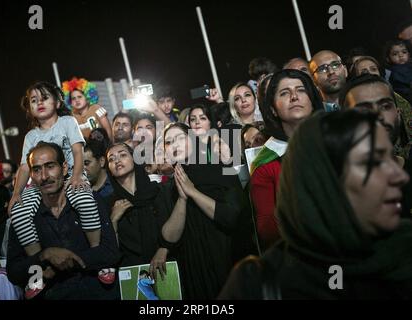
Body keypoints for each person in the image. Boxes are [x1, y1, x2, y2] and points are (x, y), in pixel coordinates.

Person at [220, 110, 412, 299]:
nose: (400, 176)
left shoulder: (405, 249)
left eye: (391, 158)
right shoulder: (260, 285)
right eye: (374, 163)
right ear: (324, 181)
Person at [8, 81, 113, 298]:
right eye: (34, 101)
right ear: (29, 108)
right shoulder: (31, 136)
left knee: (84, 200)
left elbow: (77, 150)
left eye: (44, 98)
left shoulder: (67, 121)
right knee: (18, 212)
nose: (39, 103)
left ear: (56, 102)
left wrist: (76, 175)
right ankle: (39, 271)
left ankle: (97, 259)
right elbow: (25, 167)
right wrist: (16, 193)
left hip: (71, 176)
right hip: (40, 185)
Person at [7, 142, 122, 300]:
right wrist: (44, 256)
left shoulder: (89, 200)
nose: (44, 176)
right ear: (31, 176)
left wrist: (61, 264)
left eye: (50, 166)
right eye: (37, 169)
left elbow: (111, 252)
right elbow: (14, 272)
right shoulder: (24, 215)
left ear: (65, 168)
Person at [158, 122, 244, 299]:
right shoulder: (167, 188)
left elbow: (231, 217)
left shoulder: (221, 170)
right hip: (193, 268)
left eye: (180, 138)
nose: (174, 145)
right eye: (168, 142)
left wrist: (193, 192)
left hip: (226, 259)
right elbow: (169, 238)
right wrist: (182, 198)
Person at [250, 69, 323, 251]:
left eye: (301, 90)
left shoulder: (338, 142)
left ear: (313, 101)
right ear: (273, 109)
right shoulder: (266, 164)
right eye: (284, 93)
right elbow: (268, 232)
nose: (294, 97)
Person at [339, 74, 411, 217]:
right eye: (364, 109)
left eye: (385, 106)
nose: (377, 114)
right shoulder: (337, 187)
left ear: (398, 114)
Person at [106, 143, 169, 279]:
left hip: (165, 266)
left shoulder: (157, 191)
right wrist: (113, 220)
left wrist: (164, 248)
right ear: (108, 169)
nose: (117, 160)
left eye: (123, 155)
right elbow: (110, 251)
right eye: (111, 159)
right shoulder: (109, 204)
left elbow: (172, 226)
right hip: (132, 274)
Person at [383, 40, 412, 104]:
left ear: (409, 54)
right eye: (395, 54)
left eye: (404, 52)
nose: (400, 55)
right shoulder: (392, 72)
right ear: (388, 58)